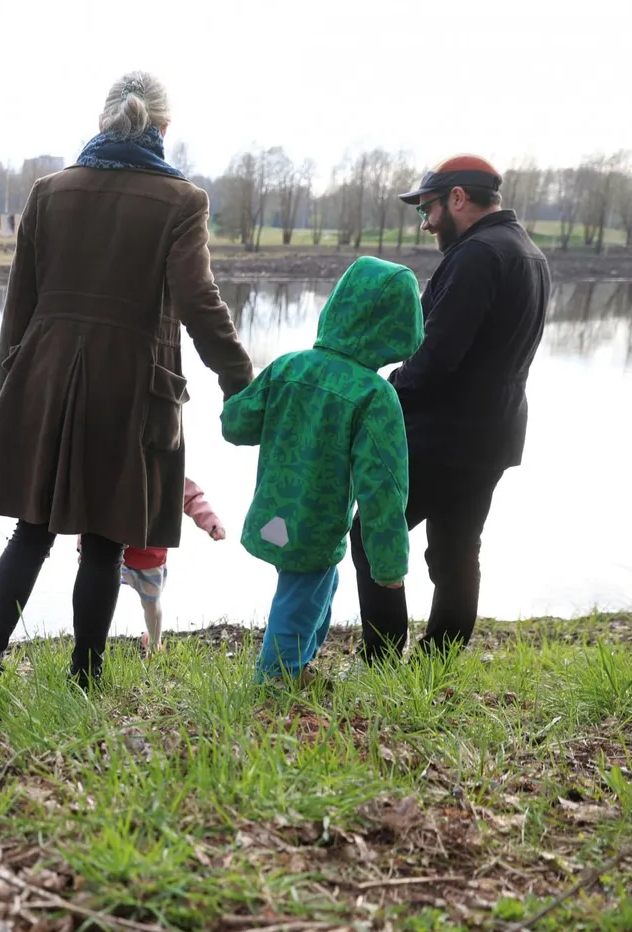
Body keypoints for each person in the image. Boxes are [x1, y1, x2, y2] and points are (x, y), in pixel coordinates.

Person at [0, 71, 254, 700]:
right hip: (131, 385)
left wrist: (11, 383)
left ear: (102, 122)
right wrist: (238, 378)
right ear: (164, 129)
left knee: (31, 532)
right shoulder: (183, 202)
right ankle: (85, 680)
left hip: (45, 376)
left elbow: (20, 303)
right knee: (104, 539)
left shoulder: (49, 192)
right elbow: (200, 302)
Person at [351, 156, 550, 662]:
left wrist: (380, 393)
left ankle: (383, 660)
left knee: (372, 536)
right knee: (456, 551)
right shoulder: (528, 252)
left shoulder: (478, 254)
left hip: (442, 438)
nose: (425, 221)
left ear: (458, 198)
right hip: (494, 436)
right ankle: (437, 664)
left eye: (429, 208)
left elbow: (435, 358)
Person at [222, 256, 423, 683]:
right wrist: (388, 568)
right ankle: (276, 679)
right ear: (399, 327)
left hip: (272, 518)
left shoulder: (288, 366)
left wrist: (243, 389)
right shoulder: (374, 395)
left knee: (316, 585)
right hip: (313, 525)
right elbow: (383, 489)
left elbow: (236, 425)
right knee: (303, 593)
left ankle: (298, 666)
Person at [119, 478, 226, 653]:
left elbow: (191, 496)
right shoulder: (117, 461)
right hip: (113, 550)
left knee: (151, 603)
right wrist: (84, 546)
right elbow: (94, 499)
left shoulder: (165, 466)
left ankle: (154, 645)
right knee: (102, 596)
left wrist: (212, 524)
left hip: (150, 554)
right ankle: (91, 645)